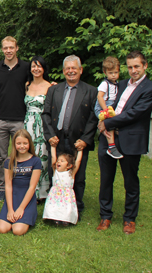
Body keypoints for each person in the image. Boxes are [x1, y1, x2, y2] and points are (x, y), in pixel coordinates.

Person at [96, 51, 152, 235]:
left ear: (145, 66)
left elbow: (134, 114)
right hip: (108, 138)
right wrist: (103, 119)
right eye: (130, 67)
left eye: (137, 66)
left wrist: (107, 123)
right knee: (106, 179)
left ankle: (129, 219)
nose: (133, 70)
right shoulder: (121, 84)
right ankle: (105, 215)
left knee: (130, 181)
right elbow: (107, 101)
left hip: (130, 140)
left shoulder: (150, 89)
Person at [42, 55, 98, 220]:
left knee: (78, 177)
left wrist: (85, 139)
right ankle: (55, 207)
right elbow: (46, 114)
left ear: (81, 70)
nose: (71, 71)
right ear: (63, 71)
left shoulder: (91, 91)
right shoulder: (54, 90)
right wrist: (50, 136)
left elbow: (93, 118)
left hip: (78, 141)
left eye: (74, 68)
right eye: (68, 68)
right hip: (57, 140)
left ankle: (76, 208)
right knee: (55, 173)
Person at [0, 36, 31, 202]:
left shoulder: (26, 67)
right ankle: (2, 187)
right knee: (1, 156)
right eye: (5, 48)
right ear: (2, 49)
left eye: (11, 47)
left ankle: (20, 187)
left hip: (20, 119)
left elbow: (33, 87)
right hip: (0, 119)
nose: (8, 51)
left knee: (21, 155)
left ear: (17, 48)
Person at [0, 129, 41, 236]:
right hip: (13, 198)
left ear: (29, 143)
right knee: (2, 228)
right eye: (19, 143)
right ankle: (10, 212)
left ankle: (26, 215)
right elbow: (8, 186)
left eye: (25, 143)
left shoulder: (35, 161)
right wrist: (10, 209)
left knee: (18, 230)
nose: (22, 146)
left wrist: (21, 209)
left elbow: (32, 187)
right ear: (14, 144)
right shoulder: (9, 161)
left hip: (26, 199)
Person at [23, 56, 52, 201]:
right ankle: (30, 190)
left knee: (42, 155)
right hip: (28, 124)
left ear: (44, 69)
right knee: (28, 155)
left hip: (42, 124)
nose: (36, 69)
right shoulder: (27, 85)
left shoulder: (50, 86)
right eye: (33, 66)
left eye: (39, 66)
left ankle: (43, 192)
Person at [42, 145, 83, 226]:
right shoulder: (55, 171)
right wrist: (53, 147)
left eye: (62, 161)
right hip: (55, 195)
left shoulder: (71, 173)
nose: (58, 162)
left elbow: (78, 162)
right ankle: (55, 218)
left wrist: (80, 151)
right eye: (58, 160)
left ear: (69, 165)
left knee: (66, 208)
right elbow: (53, 157)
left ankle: (66, 219)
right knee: (54, 206)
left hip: (66, 196)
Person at [95, 56, 121, 159]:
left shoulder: (116, 84)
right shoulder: (105, 84)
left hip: (111, 106)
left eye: (116, 72)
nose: (114, 75)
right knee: (109, 121)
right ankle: (111, 146)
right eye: (111, 73)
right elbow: (99, 96)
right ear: (105, 72)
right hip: (103, 106)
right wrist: (105, 110)